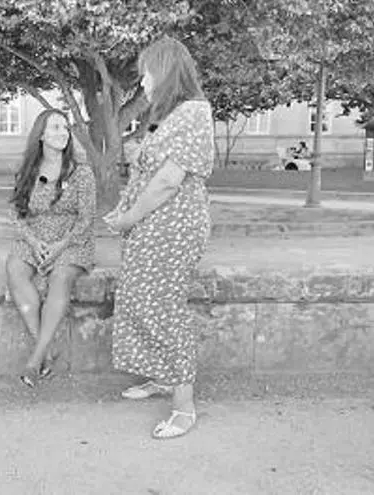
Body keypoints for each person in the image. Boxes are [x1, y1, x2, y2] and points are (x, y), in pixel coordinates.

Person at [103, 36, 214, 439]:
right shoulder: (173, 116)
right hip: (155, 227)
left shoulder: (193, 112)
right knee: (142, 300)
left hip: (172, 228)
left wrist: (128, 218)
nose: (144, 83)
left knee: (163, 308)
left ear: (166, 72)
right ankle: (164, 376)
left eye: (148, 74)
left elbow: (169, 181)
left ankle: (184, 407)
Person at [5, 109, 96, 388]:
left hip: (71, 240)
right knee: (15, 269)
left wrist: (60, 246)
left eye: (65, 128)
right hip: (35, 238)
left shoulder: (81, 173)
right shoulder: (28, 171)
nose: (63, 133)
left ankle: (35, 361)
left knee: (60, 277)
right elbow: (15, 214)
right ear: (41, 135)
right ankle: (44, 349)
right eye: (55, 127)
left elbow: (87, 218)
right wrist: (33, 242)